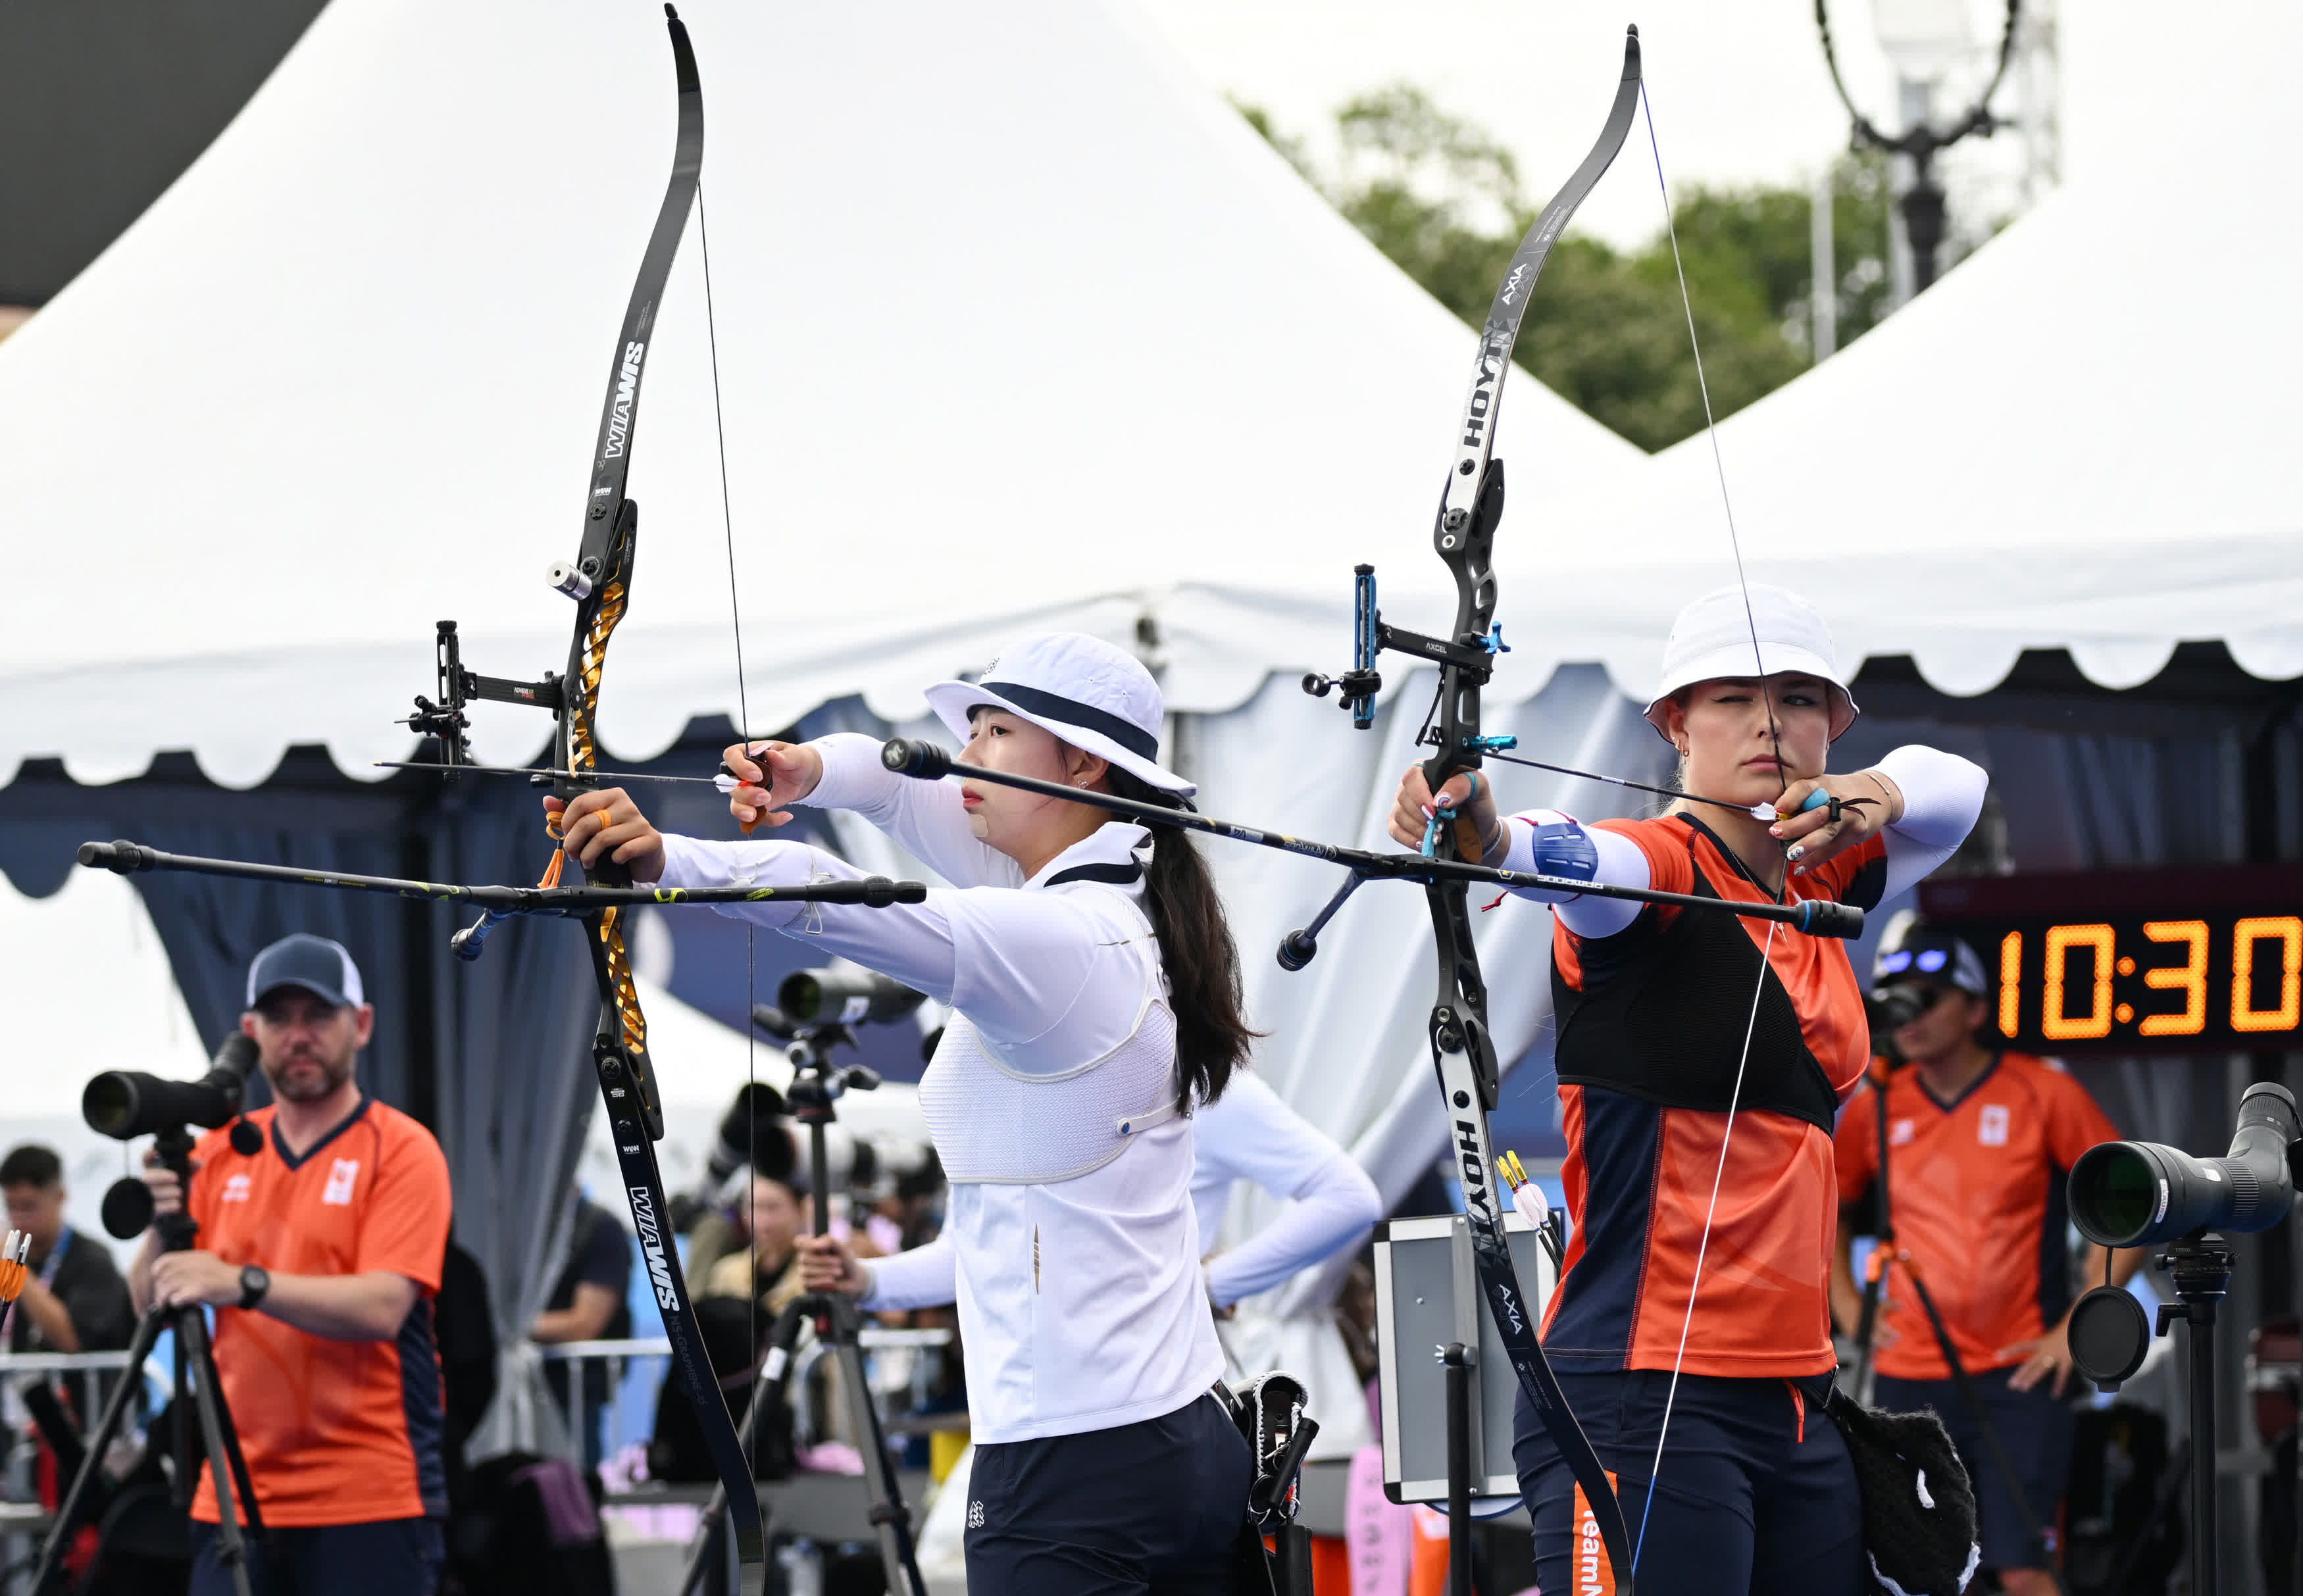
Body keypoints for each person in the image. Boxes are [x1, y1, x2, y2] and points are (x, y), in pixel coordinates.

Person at [552, 630, 1259, 1594]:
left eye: (998, 732)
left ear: (1085, 763)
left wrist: (667, 857)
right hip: (1181, 1434)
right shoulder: (1117, 895)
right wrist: (808, 769)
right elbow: (891, 790)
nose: (966, 755)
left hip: (1074, 1464)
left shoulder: (1058, 939)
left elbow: (833, 896)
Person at [1388, 584, 1988, 1596]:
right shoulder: (1655, 869)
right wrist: (1487, 835)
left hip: (1798, 1401)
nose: (1768, 722)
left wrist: (1877, 790)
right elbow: (1569, 857)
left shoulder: (1819, 883)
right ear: (1674, 721)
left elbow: (1958, 787)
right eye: (1731, 699)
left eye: (1799, 699)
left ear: (1832, 725)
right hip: (1644, 1392)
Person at [130, 932, 453, 1596]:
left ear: (359, 1024)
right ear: (251, 1032)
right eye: (279, 1018)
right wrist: (162, 1226)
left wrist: (242, 1282)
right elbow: (147, 1302)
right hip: (231, 1493)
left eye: (319, 1014)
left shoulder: (401, 1148)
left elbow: (384, 1306)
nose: (298, 1034)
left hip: (369, 1494)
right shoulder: (216, 1154)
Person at [1831, 914, 2143, 1596]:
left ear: (1974, 1008)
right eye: (1897, 996)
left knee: (2024, 1568)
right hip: (1907, 1379)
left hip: (2018, 1378)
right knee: (1915, 1571)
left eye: (1928, 995)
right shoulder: (1876, 1103)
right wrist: (1847, 1303)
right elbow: (1825, 1206)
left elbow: (2128, 1206)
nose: (1907, 1013)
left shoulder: (2041, 1090)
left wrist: (2080, 1325)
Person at [1, 1143, 134, 1389]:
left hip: (85, 1412)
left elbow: (73, 1341)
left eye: (29, 1206)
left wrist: (16, 1270)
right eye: (11, 1206)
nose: (18, 1218)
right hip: (17, 1410)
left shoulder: (93, 1261)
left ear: (60, 1196)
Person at [529, 1187, 632, 1474]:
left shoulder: (599, 1227)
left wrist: (512, 1331)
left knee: (575, 1485)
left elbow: (586, 1322)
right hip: (535, 1385)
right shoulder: (524, 1225)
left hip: (574, 1392)